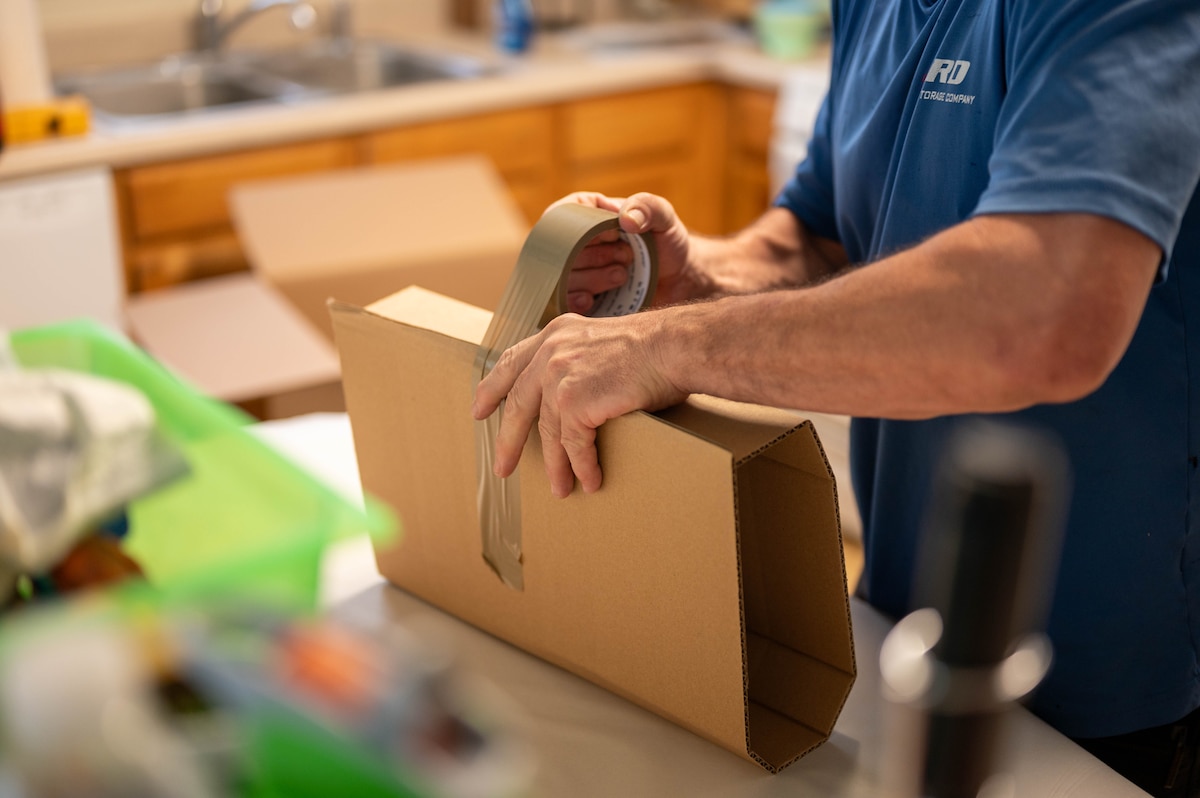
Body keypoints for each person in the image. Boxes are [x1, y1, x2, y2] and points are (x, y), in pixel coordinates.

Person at [472, 1, 1200, 794]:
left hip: (1117, 690)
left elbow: (1043, 314)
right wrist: (691, 284)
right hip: (905, 624)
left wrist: (670, 346)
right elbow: (818, 236)